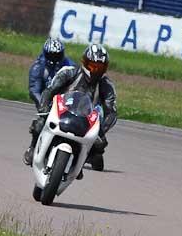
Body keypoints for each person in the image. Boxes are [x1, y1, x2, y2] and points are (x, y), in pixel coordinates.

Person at [28, 44, 117, 173]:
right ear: (85, 63)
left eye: (100, 68)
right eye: (93, 66)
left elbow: (112, 112)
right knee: (39, 124)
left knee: (99, 144)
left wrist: (101, 131)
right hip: (60, 112)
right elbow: (49, 91)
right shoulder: (69, 72)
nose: (95, 71)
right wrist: (43, 109)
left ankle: (79, 162)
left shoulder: (106, 85)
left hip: (85, 119)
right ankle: (32, 148)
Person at [23, 38, 74, 165]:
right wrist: (43, 104)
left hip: (65, 102)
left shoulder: (69, 66)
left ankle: (76, 160)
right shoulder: (38, 67)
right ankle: (33, 147)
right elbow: (34, 90)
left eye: (57, 55)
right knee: (40, 123)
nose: (55, 58)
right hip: (46, 101)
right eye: (52, 55)